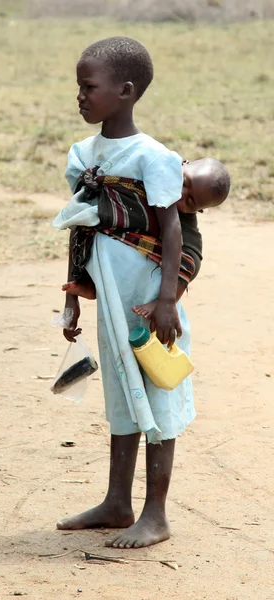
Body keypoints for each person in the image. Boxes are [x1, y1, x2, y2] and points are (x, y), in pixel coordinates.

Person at [54, 36, 195, 549]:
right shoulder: (81, 155)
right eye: (79, 86)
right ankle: (118, 502)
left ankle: (155, 513)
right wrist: (73, 294)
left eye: (89, 86)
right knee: (119, 388)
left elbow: (173, 231)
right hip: (110, 298)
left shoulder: (153, 156)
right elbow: (80, 226)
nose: (80, 96)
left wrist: (166, 301)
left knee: (157, 388)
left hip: (149, 299)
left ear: (127, 91)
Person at [59, 157, 231, 320]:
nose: (180, 194)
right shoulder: (152, 166)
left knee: (187, 264)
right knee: (88, 221)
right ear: (182, 163)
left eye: (190, 201)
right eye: (184, 182)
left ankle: (160, 303)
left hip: (146, 247)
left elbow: (193, 254)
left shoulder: (185, 219)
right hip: (115, 229)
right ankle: (88, 282)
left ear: (197, 210)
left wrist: (167, 300)